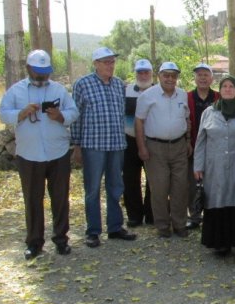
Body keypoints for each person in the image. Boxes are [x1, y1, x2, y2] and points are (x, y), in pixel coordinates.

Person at [0, 50, 79, 259]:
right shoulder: (16, 91)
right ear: (28, 69)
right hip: (29, 154)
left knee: (60, 199)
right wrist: (21, 113)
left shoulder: (59, 90)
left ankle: (61, 240)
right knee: (33, 200)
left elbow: (74, 111)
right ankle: (34, 242)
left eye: (45, 72)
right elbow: (2, 113)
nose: (43, 76)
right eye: (38, 72)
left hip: (57, 153)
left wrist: (61, 115)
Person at [72, 46, 137, 248]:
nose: (110, 65)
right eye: (106, 62)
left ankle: (115, 227)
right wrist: (76, 145)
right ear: (96, 64)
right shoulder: (82, 84)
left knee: (116, 187)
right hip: (93, 145)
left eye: (112, 62)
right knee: (92, 189)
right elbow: (76, 116)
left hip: (116, 144)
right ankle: (93, 231)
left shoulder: (119, 85)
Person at [194, 75, 235, 256]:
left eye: (231, 87)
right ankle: (221, 242)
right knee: (217, 202)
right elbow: (201, 141)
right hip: (215, 166)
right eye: (224, 86)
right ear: (220, 90)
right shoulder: (209, 113)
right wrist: (198, 166)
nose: (227, 89)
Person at [135, 61, 191, 238]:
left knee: (180, 188)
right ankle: (162, 226)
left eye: (173, 76)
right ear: (159, 76)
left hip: (179, 146)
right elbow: (139, 122)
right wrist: (142, 147)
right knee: (159, 188)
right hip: (155, 148)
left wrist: (188, 141)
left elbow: (187, 120)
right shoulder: (147, 95)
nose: (170, 79)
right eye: (166, 75)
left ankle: (180, 224)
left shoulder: (182, 95)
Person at [186, 63, 220, 229]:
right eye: (199, 75)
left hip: (215, 147)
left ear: (211, 78)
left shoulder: (219, 97)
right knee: (193, 183)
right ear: (195, 78)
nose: (202, 78)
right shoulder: (187, 97)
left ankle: (211, 214)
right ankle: (194, 216)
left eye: (206, 75)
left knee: (213, 182)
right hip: (192, 145)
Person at [123, 59, 154, 228]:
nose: (143, 75)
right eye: (140, 72)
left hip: (151, 140)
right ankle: (134, 216)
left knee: (154, 180)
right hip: (130, 141)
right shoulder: (125, 91)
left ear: (151, 73)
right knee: (130, 179)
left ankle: (151, 214)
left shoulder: (158, 90)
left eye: (146, 72)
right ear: (135, 74)